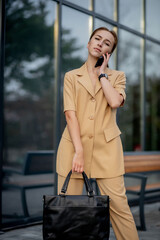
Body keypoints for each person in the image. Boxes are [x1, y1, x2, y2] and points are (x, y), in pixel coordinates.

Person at [56, 27, 139, 240]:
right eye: (97, 39)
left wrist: (102, 74)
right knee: (69, 212)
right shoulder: (71, 76)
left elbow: (114, 102)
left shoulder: (117, 76)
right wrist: (79, 151)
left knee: (120, 208)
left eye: (107, 43)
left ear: (109, 52)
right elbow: (70, 115)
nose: (100, 43)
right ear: (89, 43)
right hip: (74, 148)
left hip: (107, 150)